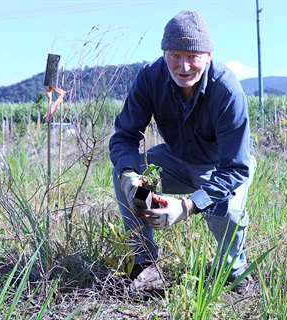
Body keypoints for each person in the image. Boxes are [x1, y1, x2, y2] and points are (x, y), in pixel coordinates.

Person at [109, 10, 256, 294]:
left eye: (193, 56)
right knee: (128, 181)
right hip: (174, 161)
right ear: (164, 54)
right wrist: (129, 175)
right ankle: (144, 262)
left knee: (225, 210)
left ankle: (234, 272)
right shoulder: (150, 78)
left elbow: (236, 168)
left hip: (219, 167)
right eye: (175, 55)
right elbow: (125, 136)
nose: (183, 66)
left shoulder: (227, 91)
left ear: (208, 55)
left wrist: (186, 207)